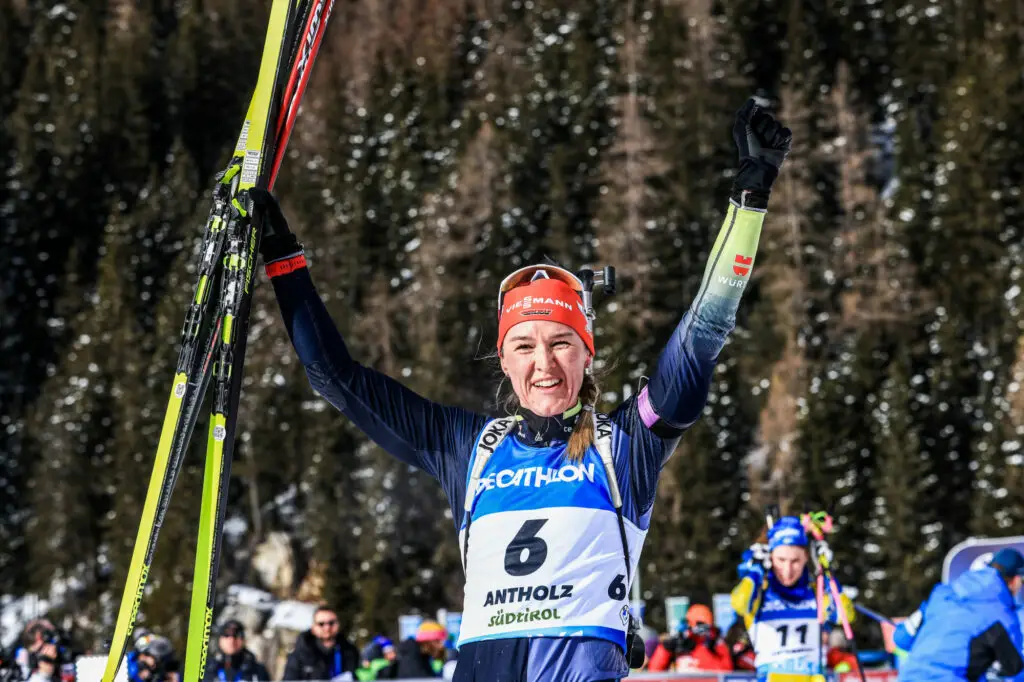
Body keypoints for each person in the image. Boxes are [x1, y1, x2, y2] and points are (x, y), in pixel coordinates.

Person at [252, 97, 792, 682]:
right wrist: (283, 261)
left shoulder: (626, 444)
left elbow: (704, 330)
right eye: (525, 346)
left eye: (561, 343)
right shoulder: (469, 447)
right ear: (504, 360)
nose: (544, 364)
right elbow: (334, 377)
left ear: (587, 353)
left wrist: (749, 201)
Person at [731, 516, 855, 682]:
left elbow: (845, 616)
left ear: (806, 558)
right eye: (781, 560)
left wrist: (826, 572)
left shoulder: (816, 592)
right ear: (770, 557)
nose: (787, 570)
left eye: (795, 561)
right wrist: (755, 571)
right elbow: (739, 604)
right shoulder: (761, 593)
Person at [893, 548, 1024, 682]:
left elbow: (902, 638)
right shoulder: (1002, 616)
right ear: (1015, 580)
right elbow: (1014, 668)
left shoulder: (942, 594)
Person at [647, 604, 732, 672]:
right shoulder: (679, 641)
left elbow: (725, 672)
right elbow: (654, 671)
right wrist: (665, 649)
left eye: (702, 625)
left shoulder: (715, 643)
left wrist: (698, 649)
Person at [283, 606, 360, 681]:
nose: (327, 628)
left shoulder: (350, 652)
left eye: (331, 623)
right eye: (321, 624)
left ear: (338, 624)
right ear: (313, 627)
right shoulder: (300, 654)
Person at [203, 620, 270, 682]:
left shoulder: (257, 670)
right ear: (220, 640)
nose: (231, 640)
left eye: (236, 635)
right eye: (226, 635)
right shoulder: (205, 668)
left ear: (243, 640)